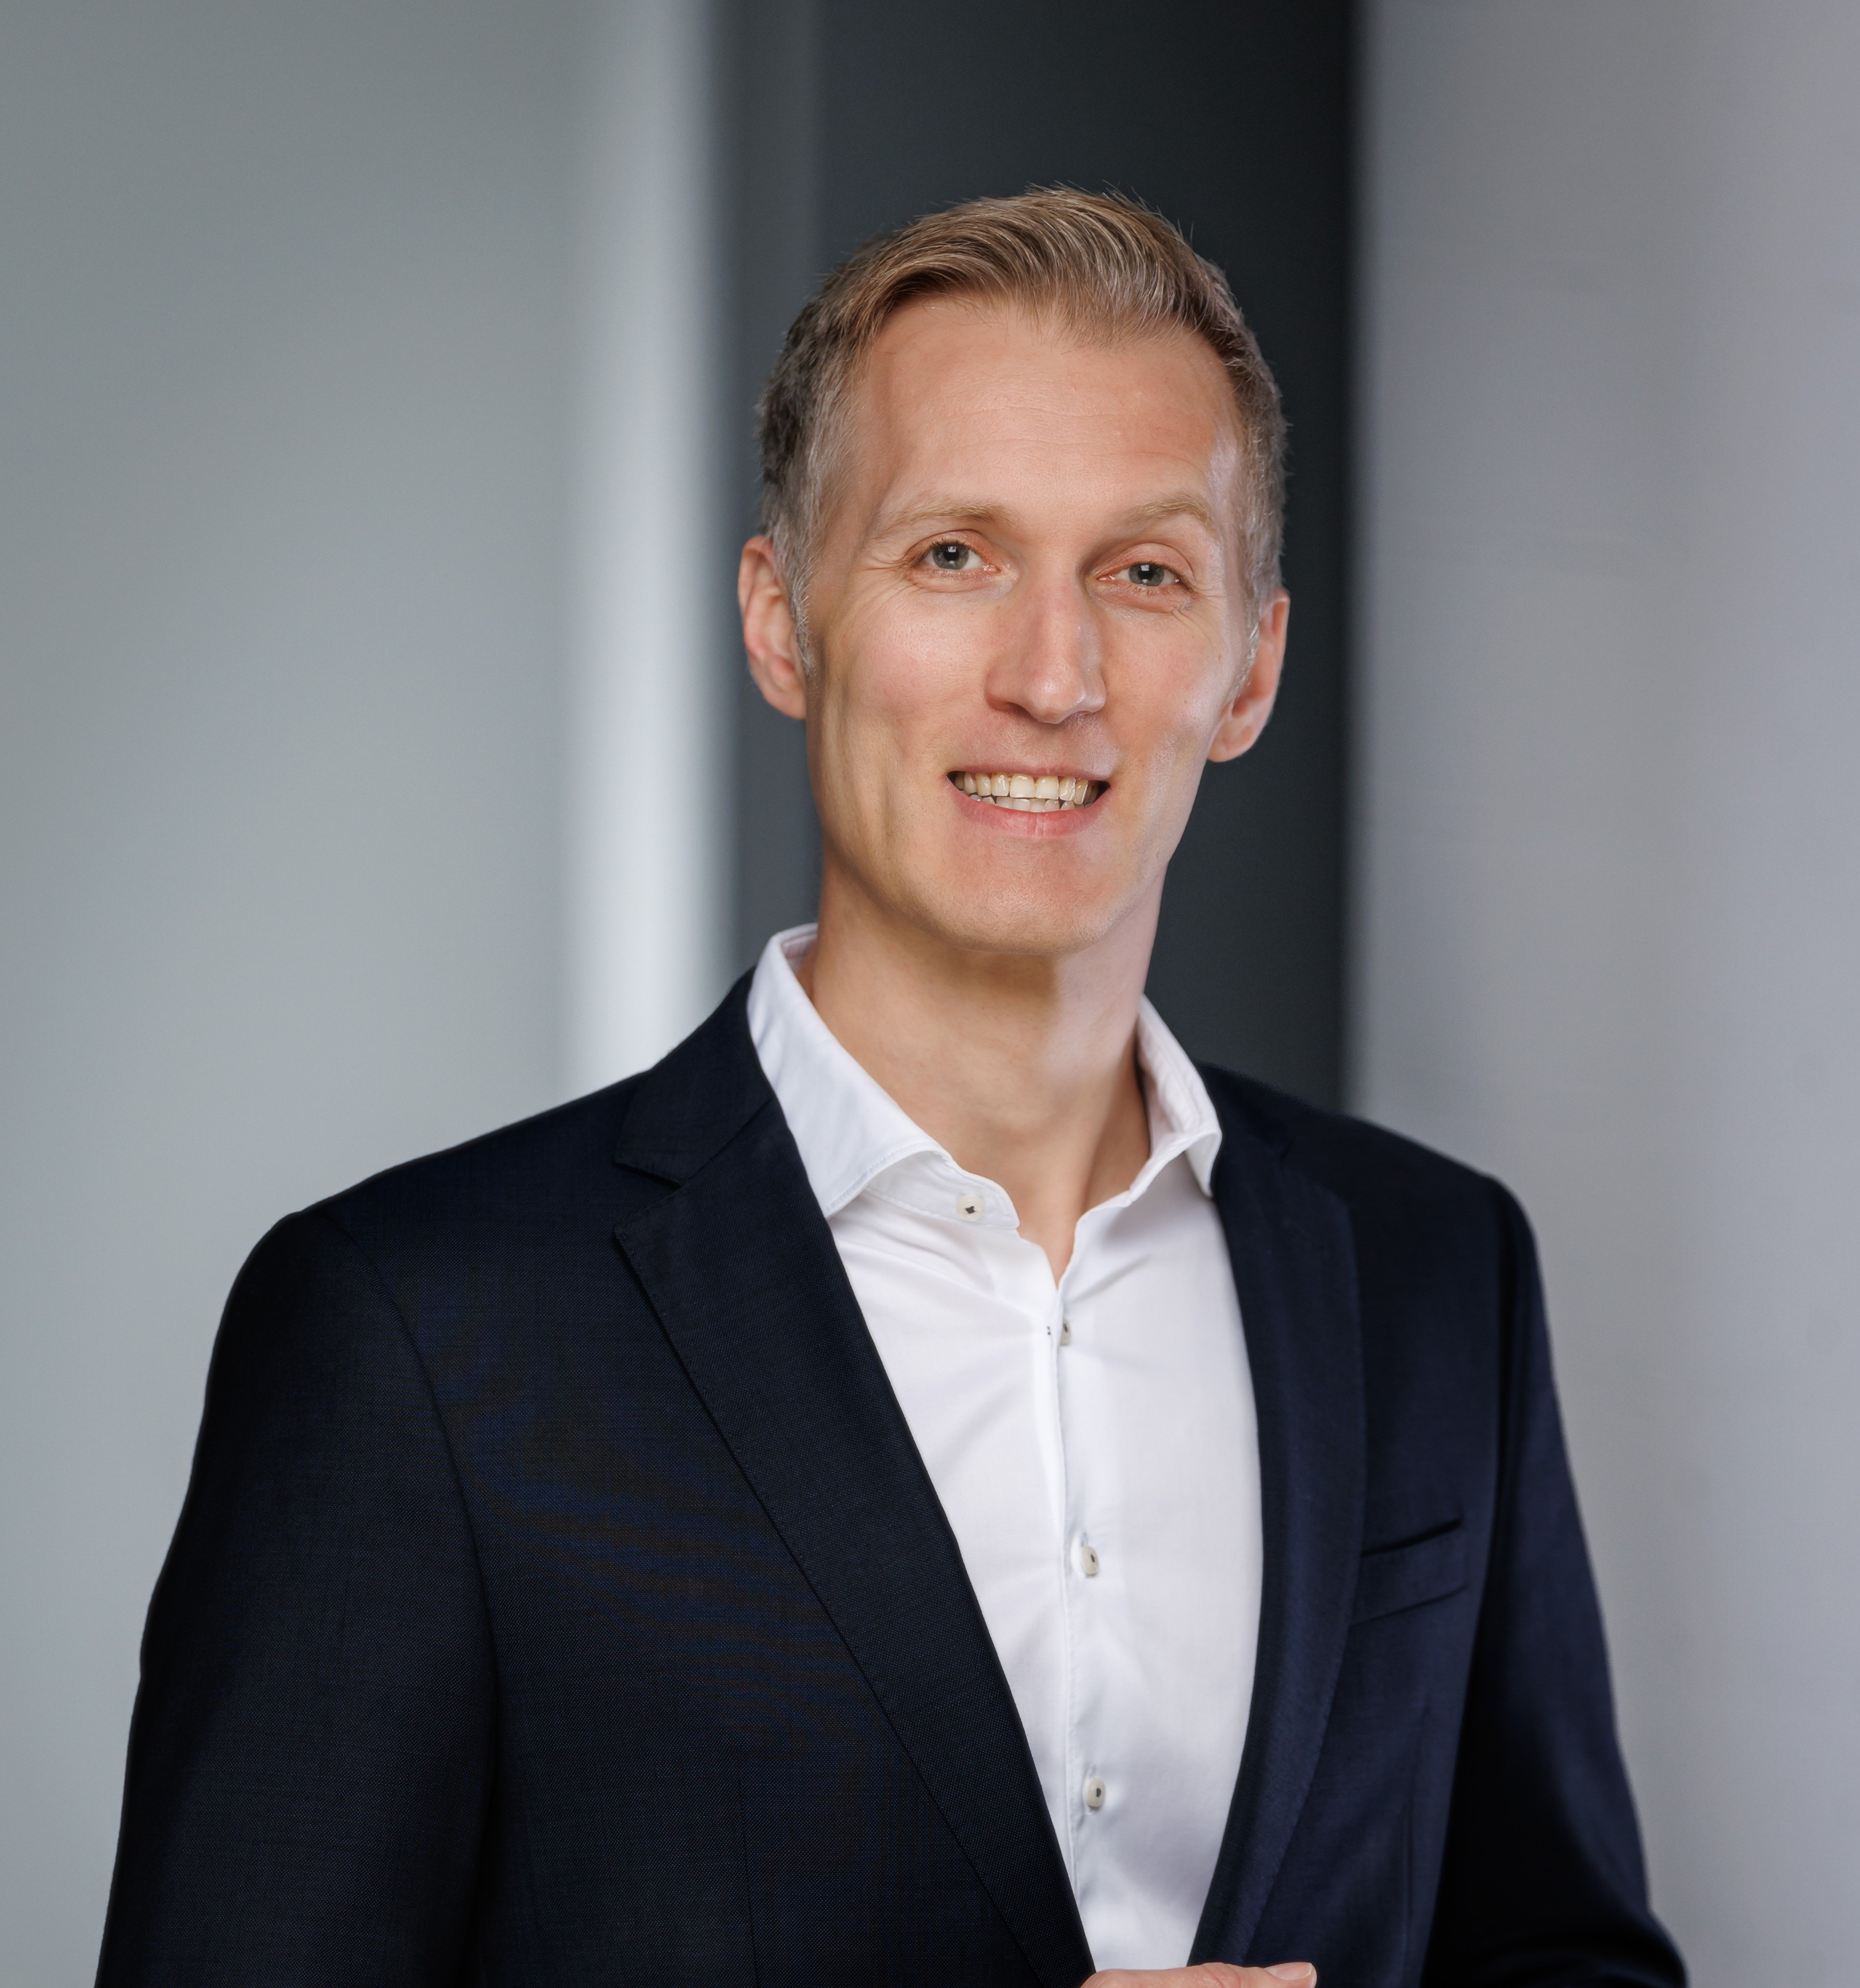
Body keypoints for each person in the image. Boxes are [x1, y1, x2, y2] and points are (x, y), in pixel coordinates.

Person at [96, 190, 1684, 1988]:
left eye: (1144, 574)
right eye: (952, 556)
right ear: (782, 624)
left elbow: (1570, 1959)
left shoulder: (1434, 1274)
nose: (1052, 677)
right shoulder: (418, 1332)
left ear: (1249, 666)